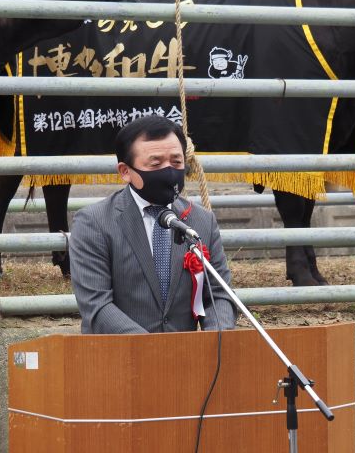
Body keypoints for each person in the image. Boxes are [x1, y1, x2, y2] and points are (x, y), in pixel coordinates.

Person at [69, 115, 237, 334]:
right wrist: (153, 351)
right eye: (156, 164)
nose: (169, 171)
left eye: (176, 162)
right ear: (125, 171)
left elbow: (220, 295)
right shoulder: (94, 222)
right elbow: (97, 305)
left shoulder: (201, 221)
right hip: (118, 358)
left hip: (186, 357)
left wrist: (215, 339)